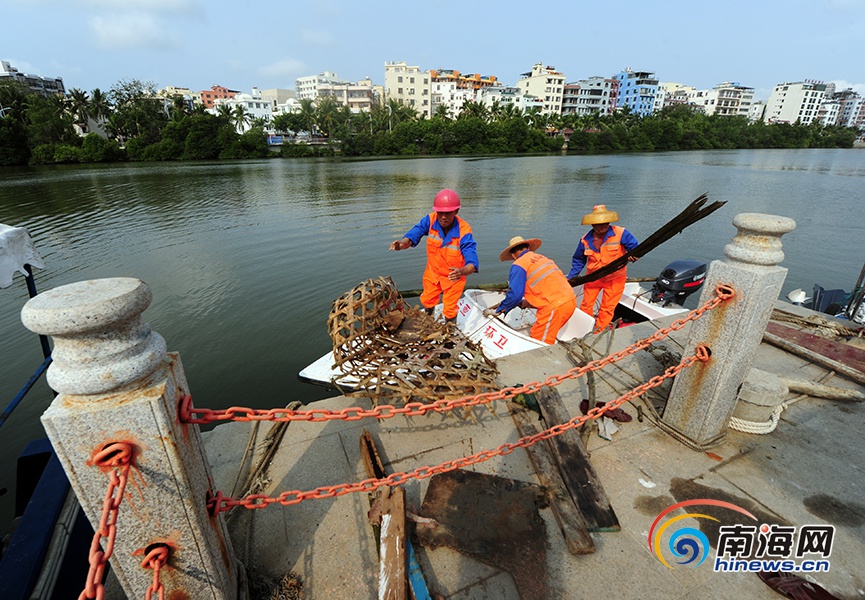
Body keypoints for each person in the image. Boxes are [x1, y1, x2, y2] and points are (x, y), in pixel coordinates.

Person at [389, 189, 478, 323]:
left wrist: (462, 271)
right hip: (433, 273)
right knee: (428, 299)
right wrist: (401, 245)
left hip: (454, 277)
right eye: (440, 212)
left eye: (448, 213)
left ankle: (449, 332)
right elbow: (415, 233)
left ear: (456, 212)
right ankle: (428, 321)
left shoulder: (464, 231)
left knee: (449, 308)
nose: (443, 217)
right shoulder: (430, 220)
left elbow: (471, 258)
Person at [568, 204, 639, 333]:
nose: (604, 226)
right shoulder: (585, 240)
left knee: (607, 307)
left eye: (606, 223)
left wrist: (633, 255)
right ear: (593, 225)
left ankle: (598, 331)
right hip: (593, 277)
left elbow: (634, 247)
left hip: (615, 278)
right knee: (586, 304)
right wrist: (571, 277)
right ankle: (584, 328)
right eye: (600, 224)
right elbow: (579, 259)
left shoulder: (621, 233)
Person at [492, 236, 577, 344]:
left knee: (539, 342)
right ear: (528, 248)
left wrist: (502, 308)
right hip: (570, 300)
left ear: (513, 255)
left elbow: (515, 294)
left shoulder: (519, 264)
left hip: (555, 307)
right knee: (547, 335)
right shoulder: (543, 258)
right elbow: (546, 285)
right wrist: (527, 302)